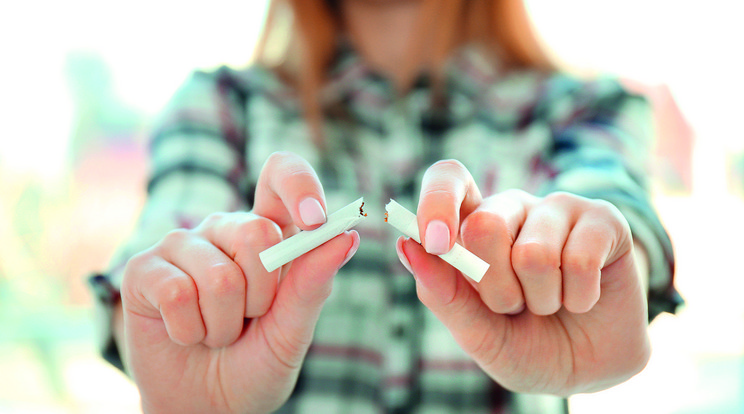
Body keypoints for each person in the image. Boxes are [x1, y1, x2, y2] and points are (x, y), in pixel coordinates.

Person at [88, 0, 681, 412]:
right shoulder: (220, 107)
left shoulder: (585, 109)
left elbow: (615, 206)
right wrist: (170, 327)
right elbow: (158, 261)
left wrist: (604, 262)